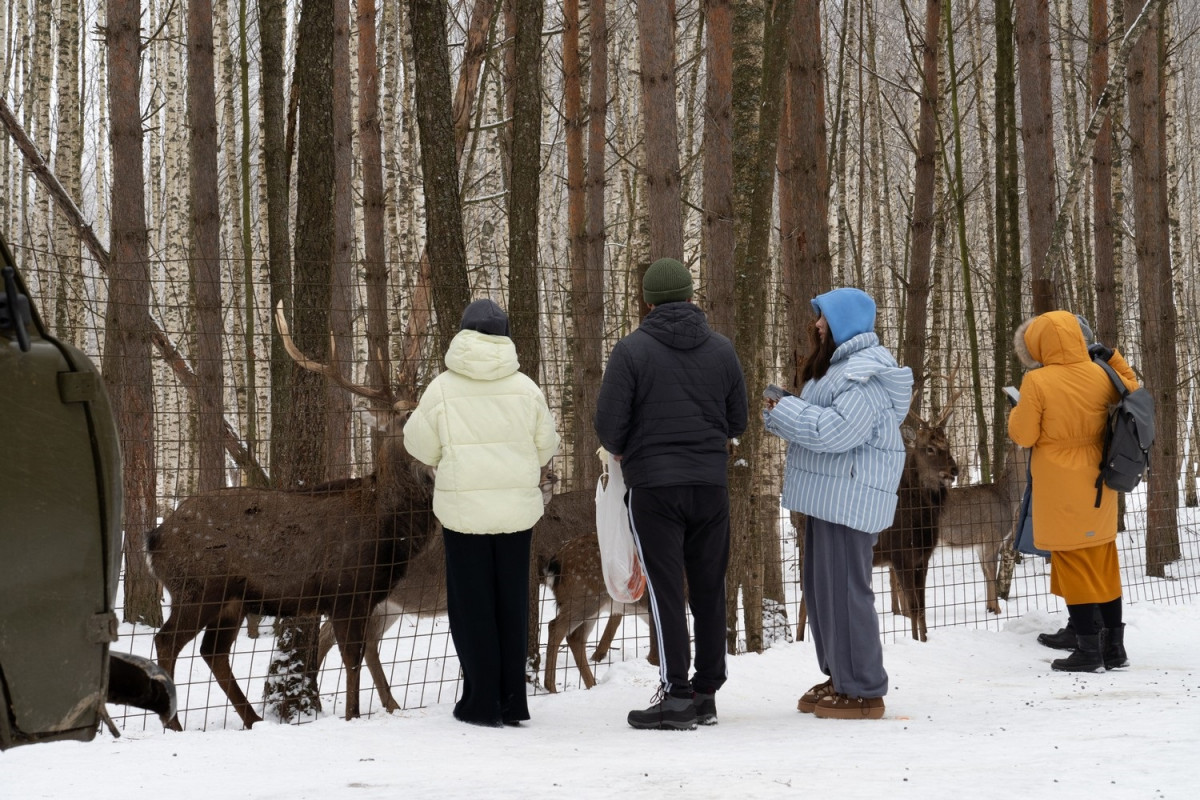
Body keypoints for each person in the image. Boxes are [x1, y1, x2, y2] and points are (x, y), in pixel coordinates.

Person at [594, 257, 748, 731]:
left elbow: (608, 428)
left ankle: (676, 693)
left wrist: (630, 450)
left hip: (655, 489)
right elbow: (737, 422)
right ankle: (706, 692)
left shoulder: (631, 351)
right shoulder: (721, 350)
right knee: (708, 586)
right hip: (709, 486)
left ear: (647, 300)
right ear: (689, 295)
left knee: (665, 590)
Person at [403, 298, 560, 726]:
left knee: (471, 605)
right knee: (512, 601)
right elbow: (548, 445)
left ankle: (480, 701)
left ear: (462, 334)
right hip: (516, 514)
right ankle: (513, 702)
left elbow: (417, 445)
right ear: (505, 337)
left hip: (463, 514)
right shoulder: (526, 388)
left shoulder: (441, 389)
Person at [762, 288, 912, 721]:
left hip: (850, 499)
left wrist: (786, 409)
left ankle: (864, 688)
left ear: (843, 322)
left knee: (845, 593)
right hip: (831, 497)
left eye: (824, 317)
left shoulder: (864, 374)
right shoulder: (840, 368)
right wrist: (787, 409)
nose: (817, 325)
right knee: (824, 590)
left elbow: (837, 433)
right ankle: (842, 677)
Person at [1008, 310, 1139, 672]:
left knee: (1074, 564)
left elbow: (1023, 435)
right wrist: (1112, 356)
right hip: (1101, 480)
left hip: (1062, 486)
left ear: (1039, 344)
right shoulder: (1101, 373)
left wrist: (1016, 411)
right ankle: (1114, 648)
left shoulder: (1037, 382)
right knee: (1103, 562)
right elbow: (1133, 389)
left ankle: (1088, 651)